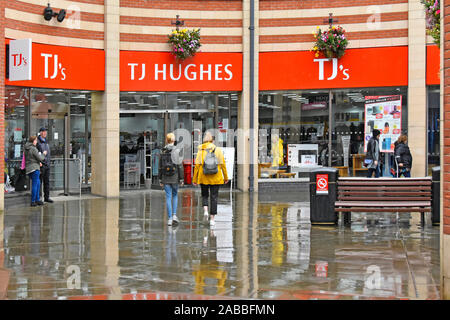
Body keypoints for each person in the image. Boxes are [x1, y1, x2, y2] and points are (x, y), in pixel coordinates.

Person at [193, 131, 228, 227]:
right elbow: (223, 164)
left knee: (204, 195)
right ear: (212, 140)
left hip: (203, 176)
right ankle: (212, 219)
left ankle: (205, 211)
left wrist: (194, 179)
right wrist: (225, 177)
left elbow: (197, 165)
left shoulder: (201, 150)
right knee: (214, 197)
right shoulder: (217, 150)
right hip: (215, 177)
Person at [159, 133, 184, 226]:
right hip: (175, 177)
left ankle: (169, 219)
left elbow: (160, 166)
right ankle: (174, 215)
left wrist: (160, 179)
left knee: (168, 197)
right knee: (175, 195)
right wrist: (181, 178)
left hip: (165, 177)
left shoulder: (162, 151)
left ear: (167, 140)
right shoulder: (177, 151)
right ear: (173, 141)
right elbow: (180, 166)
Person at [24, 136, 47, 207]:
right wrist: (44, 154)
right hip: (34, 168)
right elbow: (40, 158)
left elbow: (31, 158)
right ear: (32, 141)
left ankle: (37, 199)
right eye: (35, 140)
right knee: (35, 184)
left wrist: (37, 161)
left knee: (38, 183)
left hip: (29, 169)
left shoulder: (26, 148)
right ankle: (33, 201)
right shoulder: (33, 149)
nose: (36, 142)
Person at [36, 127, 53, 203]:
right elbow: (36, 154)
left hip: (47, 165)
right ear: (40, 133)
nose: (45, 133)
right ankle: (38, 198)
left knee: (47, 182)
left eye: (46, 131)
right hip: (41, 165)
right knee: (39, 182)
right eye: (43, 131)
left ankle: (47, 197)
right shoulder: (37, 142)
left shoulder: (46, 141)